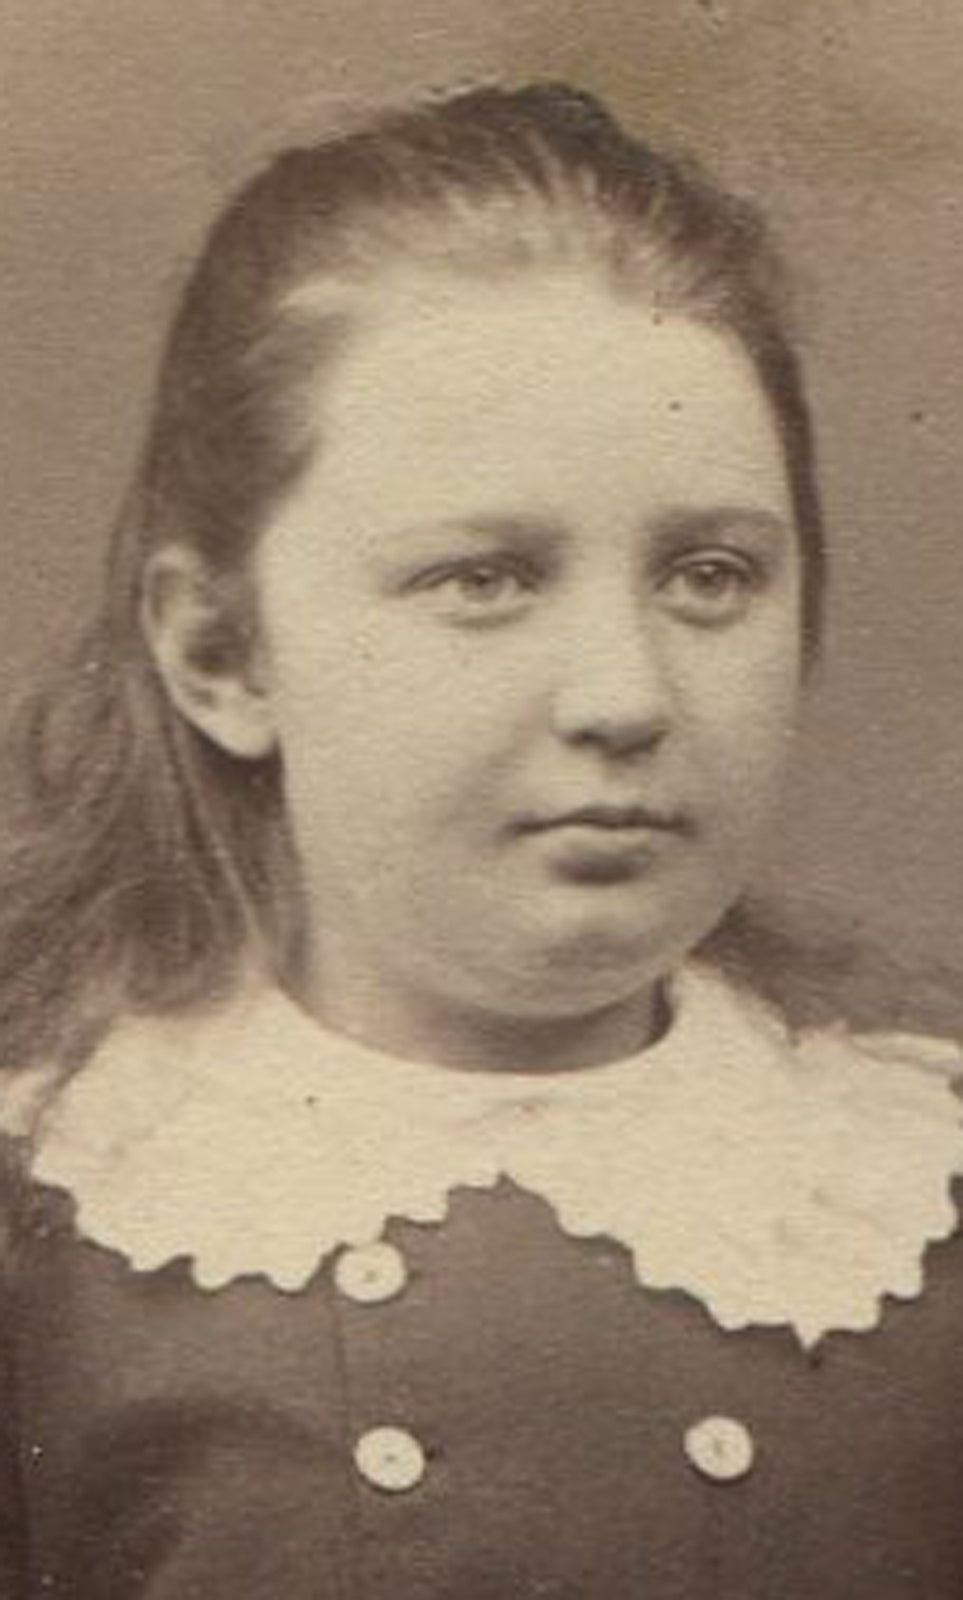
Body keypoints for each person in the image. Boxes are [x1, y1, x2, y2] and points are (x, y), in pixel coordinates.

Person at [0, 80, 960, 1599]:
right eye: (483, 580)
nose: (625, 697)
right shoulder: (62, 1240)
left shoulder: (912, 1204)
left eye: (709, 575)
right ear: (222, 655)